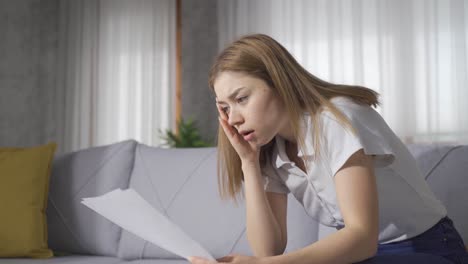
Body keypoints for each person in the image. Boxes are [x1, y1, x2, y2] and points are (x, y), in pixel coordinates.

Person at [188, 34, 468, 264]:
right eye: (225, 108)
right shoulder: (271, 149)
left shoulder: (336, 120)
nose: (234, 118)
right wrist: (249, 164)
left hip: (425, 249)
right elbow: (269, 249)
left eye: (242, 99)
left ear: (278, 82)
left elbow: (361, 237)